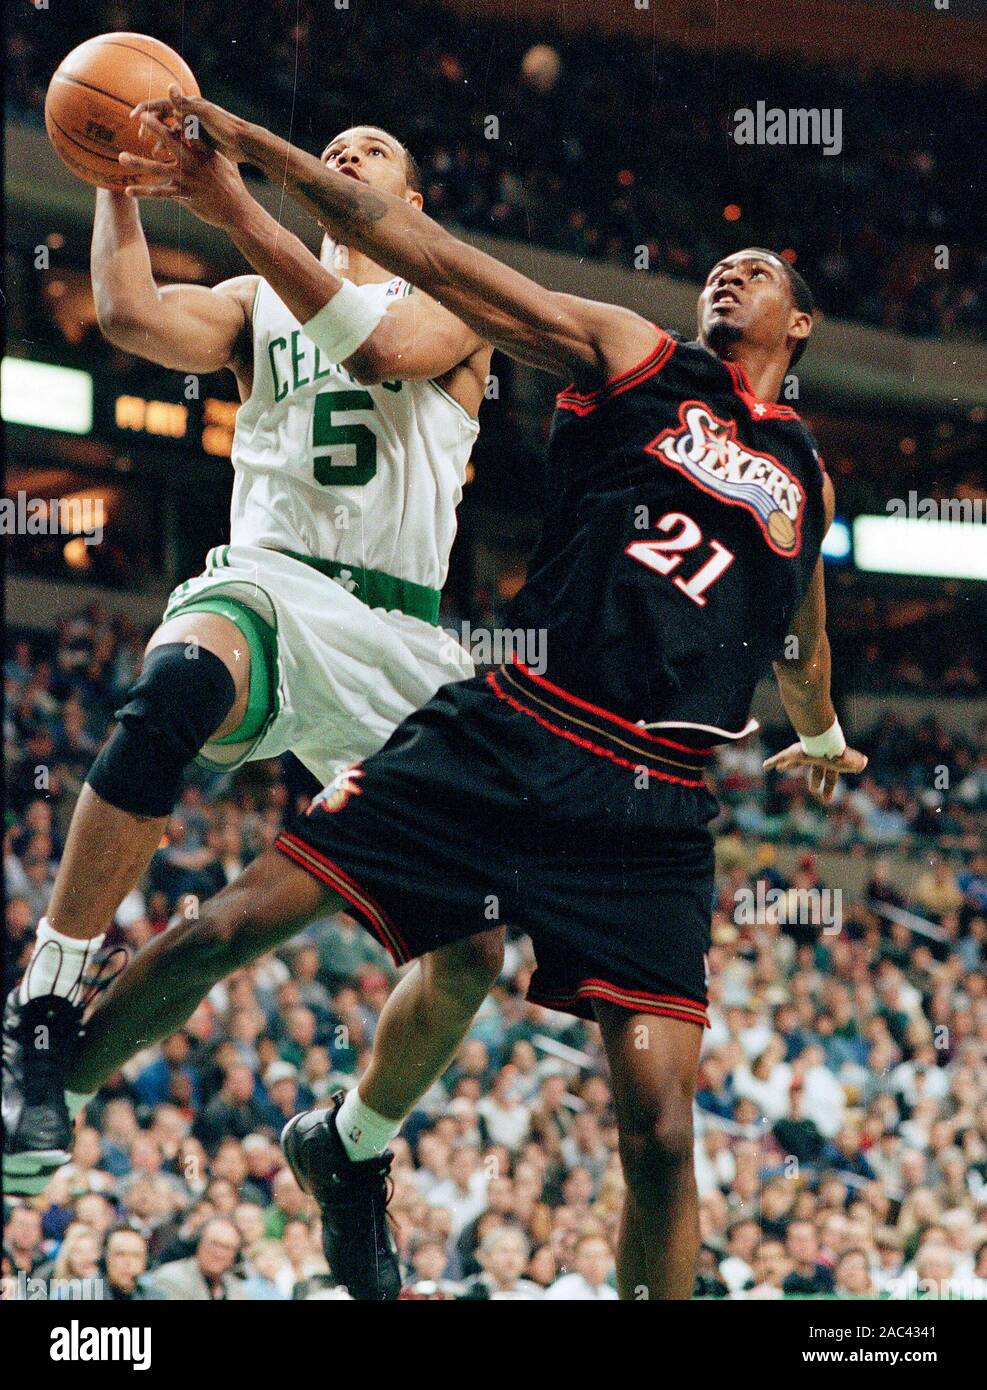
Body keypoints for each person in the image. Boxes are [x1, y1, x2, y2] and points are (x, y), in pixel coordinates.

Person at [12, 89, 868, 1301]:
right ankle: (44, 1065)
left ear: (805, 321)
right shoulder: (635, 354)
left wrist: (824, 733)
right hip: (476, 699)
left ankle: (349, 1147)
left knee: (648, 1118)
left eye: (757, 267)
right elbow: (369, 270)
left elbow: (802, 635)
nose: (728, 274)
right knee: (238, 892)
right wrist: (202, 166)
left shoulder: (805, 477)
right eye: (719, 264)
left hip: (621, 781)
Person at [4, 118, 506, 1235]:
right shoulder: (254, 296)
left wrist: (234, 199)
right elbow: (132, 313)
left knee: (472, 947)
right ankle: (46, 996)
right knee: (178, 684)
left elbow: (380, 351)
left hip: (405, 639)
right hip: (273, 580)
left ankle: (351, 1143)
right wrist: (115, 183)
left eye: (377, 150)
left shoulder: (459, 300)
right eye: (336, 144)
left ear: (412, 203)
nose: (349, 154)